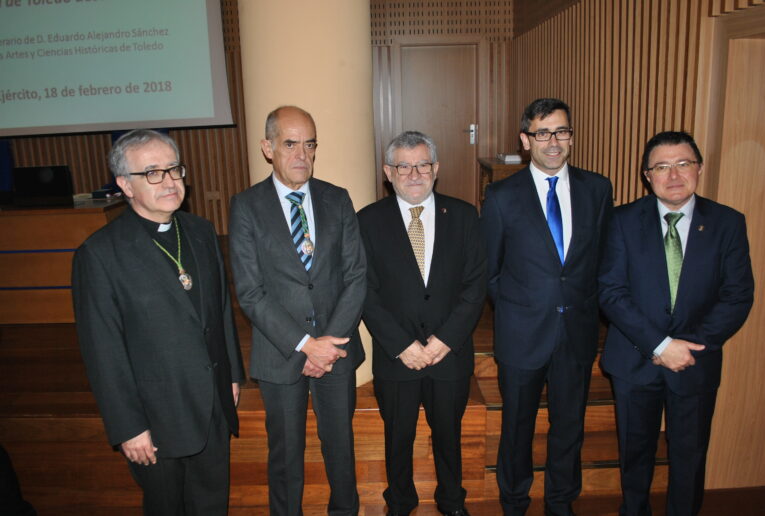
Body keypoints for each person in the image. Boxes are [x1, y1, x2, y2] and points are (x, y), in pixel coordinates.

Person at [72, 129, 244, 515]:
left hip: (212, 404)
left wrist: (232, 374)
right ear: (124, 185)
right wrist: (128, 426)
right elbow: (103, 352)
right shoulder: (99, 255)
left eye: (174, 169)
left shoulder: (200, 231)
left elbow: (220, 310)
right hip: (156, 418)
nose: (169, 181)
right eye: (152, 172)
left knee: (212, 505)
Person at [599, 131, 754, 516]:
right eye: (662, 167)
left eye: (683, 164)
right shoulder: (621, 221)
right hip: (635, 360)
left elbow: (737, 295)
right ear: (647, 175)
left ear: (699, 168)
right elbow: (611, 292)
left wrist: (686, 347)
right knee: (635, 456)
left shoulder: (728, 223)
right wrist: (660, 345)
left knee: (690, 457)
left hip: (695, 361)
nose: (673, 175)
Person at [228, 106, 367, 516]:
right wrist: (306, 345)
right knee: (285, 456)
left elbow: (356, 276)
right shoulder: (246, 206)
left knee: (340, 449)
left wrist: (327, 347)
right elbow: (250, 292)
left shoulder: (337, 199)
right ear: (267, 148)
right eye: (290, 144)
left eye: (309, 144)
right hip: (280, 352)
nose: (301, 154)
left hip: (336, 351)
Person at [481, 98, 613, 516]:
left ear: (571, 136)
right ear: (525, 140)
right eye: (543, 133)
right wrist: (520, 309)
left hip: (577, 331)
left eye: (561, 131)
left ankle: (560, 502)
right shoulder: (501, 196)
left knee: (569, 426)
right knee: (517, 427)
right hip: (522, 335)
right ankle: (514, 501)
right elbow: (489, 271)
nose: (553, 142)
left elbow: (603, 259)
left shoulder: (597, 189)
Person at [358, 131, 487, 516]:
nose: (414, 174)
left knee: (449, 436)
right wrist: (402, 345)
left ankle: (452, 501)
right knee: (397, 438)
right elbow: (364, 292)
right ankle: (400, 502)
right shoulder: (367, 221)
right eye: (404, 166)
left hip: (449, 354)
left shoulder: (463, 216)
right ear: (388, 172)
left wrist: (445, 340)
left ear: (436, 168)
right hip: (396, 356)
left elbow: (475, 285)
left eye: (422, 165)